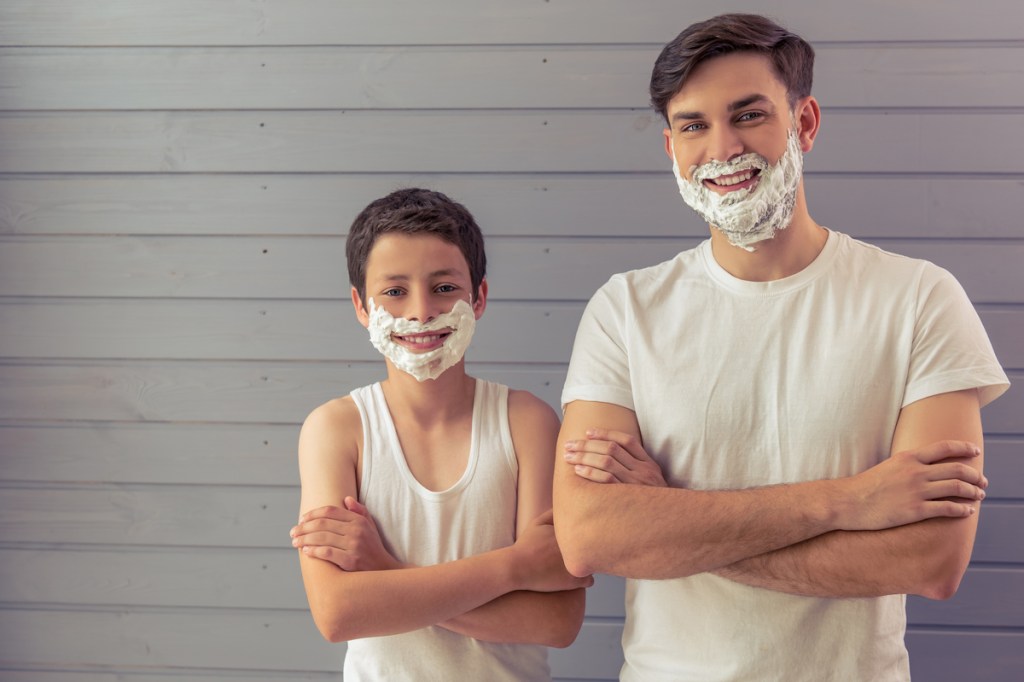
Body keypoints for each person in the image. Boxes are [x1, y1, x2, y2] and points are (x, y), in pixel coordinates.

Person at [552, 13, 1009, 682]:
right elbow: (589, 536)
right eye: (693, 125)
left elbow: (930, 562)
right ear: (670, 146)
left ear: (806, 123)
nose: (722, 148)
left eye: (749, 115)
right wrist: (849, 502)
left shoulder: (919, 300)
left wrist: (673, 525)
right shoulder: (624, 311)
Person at [292, 188, 591, 681]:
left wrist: (383, 574)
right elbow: (340, 613)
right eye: (394, 292)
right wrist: (516, 567)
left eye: (444, 287)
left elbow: (556, 621)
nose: (421, 312)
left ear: (479, 297)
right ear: (361, 306)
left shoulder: (526, 423)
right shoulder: (336, 429)